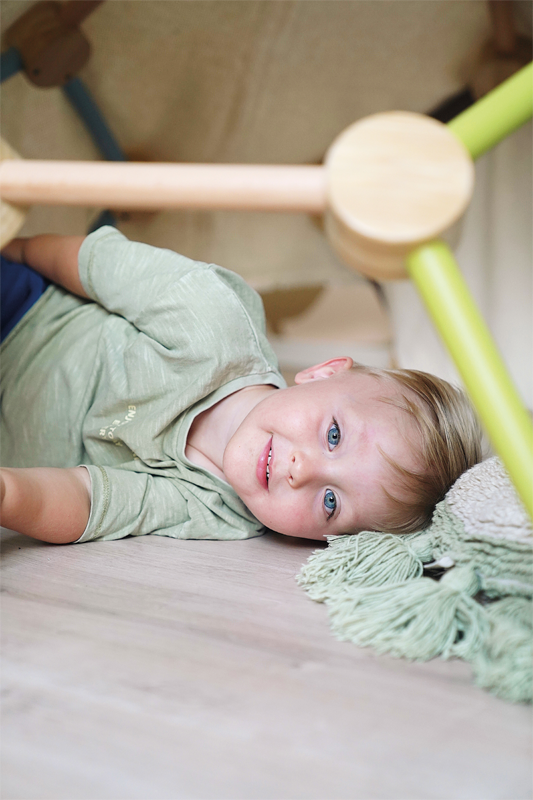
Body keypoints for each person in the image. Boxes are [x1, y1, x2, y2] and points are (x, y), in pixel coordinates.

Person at [0, 226, 482, 545]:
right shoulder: (214, 319)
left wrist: (12, 495)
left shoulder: (221, 509)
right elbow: (95, 264)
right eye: (333, 435)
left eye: (330, 502)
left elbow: (89, 500)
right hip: (18, 319)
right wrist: (15, 246)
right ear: (323, 372)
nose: (303, 471)